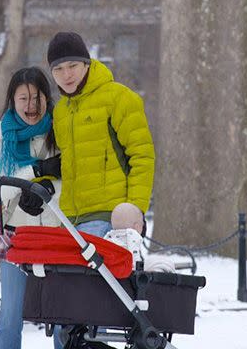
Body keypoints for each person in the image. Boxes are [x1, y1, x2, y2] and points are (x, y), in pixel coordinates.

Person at [42, 31, 156, 349]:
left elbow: (142, 156)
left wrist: (134, 211)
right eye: (59, 69)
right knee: (66, 313)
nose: (66, 75)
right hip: (71, 221)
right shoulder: (62, 113)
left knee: (82, 311)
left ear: (87, 63)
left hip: (109, 219)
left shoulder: (119, 98)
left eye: (73, 66)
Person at [0, 66, 62, 349]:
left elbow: (71, 176)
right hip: (15, 234)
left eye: (37, 98)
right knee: (10, 314)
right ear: (12, 100)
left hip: (57, 232)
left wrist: (50, 191)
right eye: (23, 99)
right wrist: (37, 174)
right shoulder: (0, 137)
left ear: (47, 97)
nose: (31, 106)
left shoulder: (60, 129)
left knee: (65, 311)